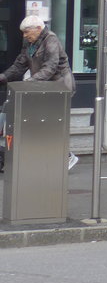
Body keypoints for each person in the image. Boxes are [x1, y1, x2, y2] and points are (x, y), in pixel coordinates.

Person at [0, 16, 78, 171]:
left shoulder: (51, 40)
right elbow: (19, 65)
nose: (24, 35)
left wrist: (30, 82)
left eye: (27, 32)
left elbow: (51, 67)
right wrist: (3, 77)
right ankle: (45, 155)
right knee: (38, 122)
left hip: (59, 88)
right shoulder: (30, 42)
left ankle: (67, 156)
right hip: (43, 87)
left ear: (38, 28)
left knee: (50, 123)